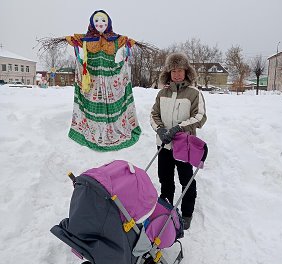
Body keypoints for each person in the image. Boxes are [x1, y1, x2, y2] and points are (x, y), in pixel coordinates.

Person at [64, 10, 142, 151]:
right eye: (97, 21)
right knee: (90, 103)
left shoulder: (116, 39)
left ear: (109, 23)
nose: (100, 23)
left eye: (103, 21)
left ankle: (114, 129)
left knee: (114, 103)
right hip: (91, 79)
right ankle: (93, 131)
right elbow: (75, 41)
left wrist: (128, 45)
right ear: (92, 23)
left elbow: (125, 40)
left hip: (110, 78)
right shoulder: (85, 39)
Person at [150, 52, 207, 230]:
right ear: (169, 73)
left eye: (180, 70)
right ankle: (166, 209)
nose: (177, 74)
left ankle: (187, 213)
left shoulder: (193, 93)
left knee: (186, 180)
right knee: (165, 179)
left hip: (184, 146)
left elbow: (200, 116)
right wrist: (160, 128)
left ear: (186, 71)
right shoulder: (162, 93)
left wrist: (179, 128)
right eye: (173, 71)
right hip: (164, 145)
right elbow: (154, 114)